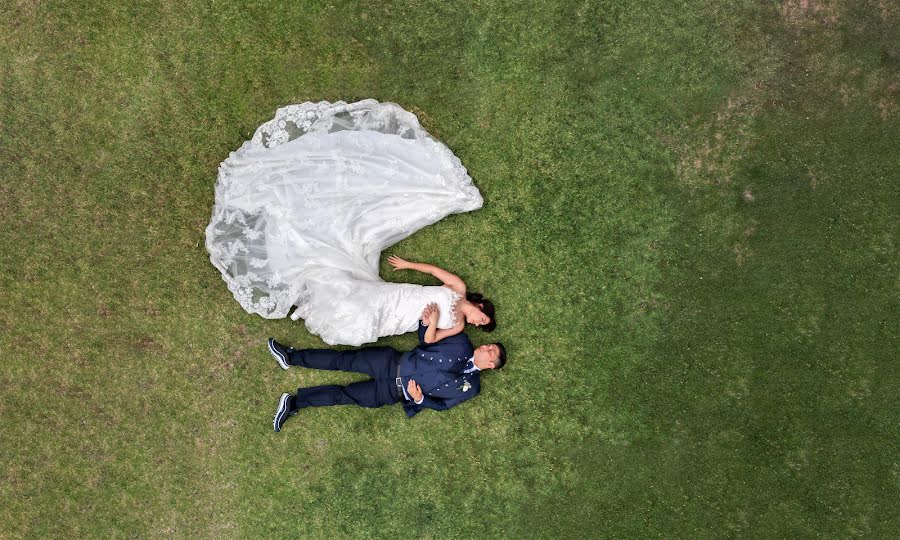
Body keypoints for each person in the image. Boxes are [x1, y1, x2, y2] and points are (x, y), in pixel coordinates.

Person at [205, 99, 494, 346]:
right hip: (405, 295)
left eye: (481, 325)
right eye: (483, 318)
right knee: (365, 291)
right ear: (480, 307)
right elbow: (433, 271)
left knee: (364, 315)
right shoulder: (458, 288)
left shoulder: (456, 327)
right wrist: (407, 266)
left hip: (407, 315)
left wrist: (430, 322)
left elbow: (429, 340)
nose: (478, 323)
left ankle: (323, 306)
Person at [268, 305, 507, 431]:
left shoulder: (471, 388)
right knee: (342, 360)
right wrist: (427, 323)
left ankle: (295, 403)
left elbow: (443, 405)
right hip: (391, 362)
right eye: (489, 345)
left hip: (392, 393)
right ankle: (290, 357)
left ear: (490, 366)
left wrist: (420, 398)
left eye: (491, 352)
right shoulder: (461, 341)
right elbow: (427, 339)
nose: (486, 347)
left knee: (344, 395)